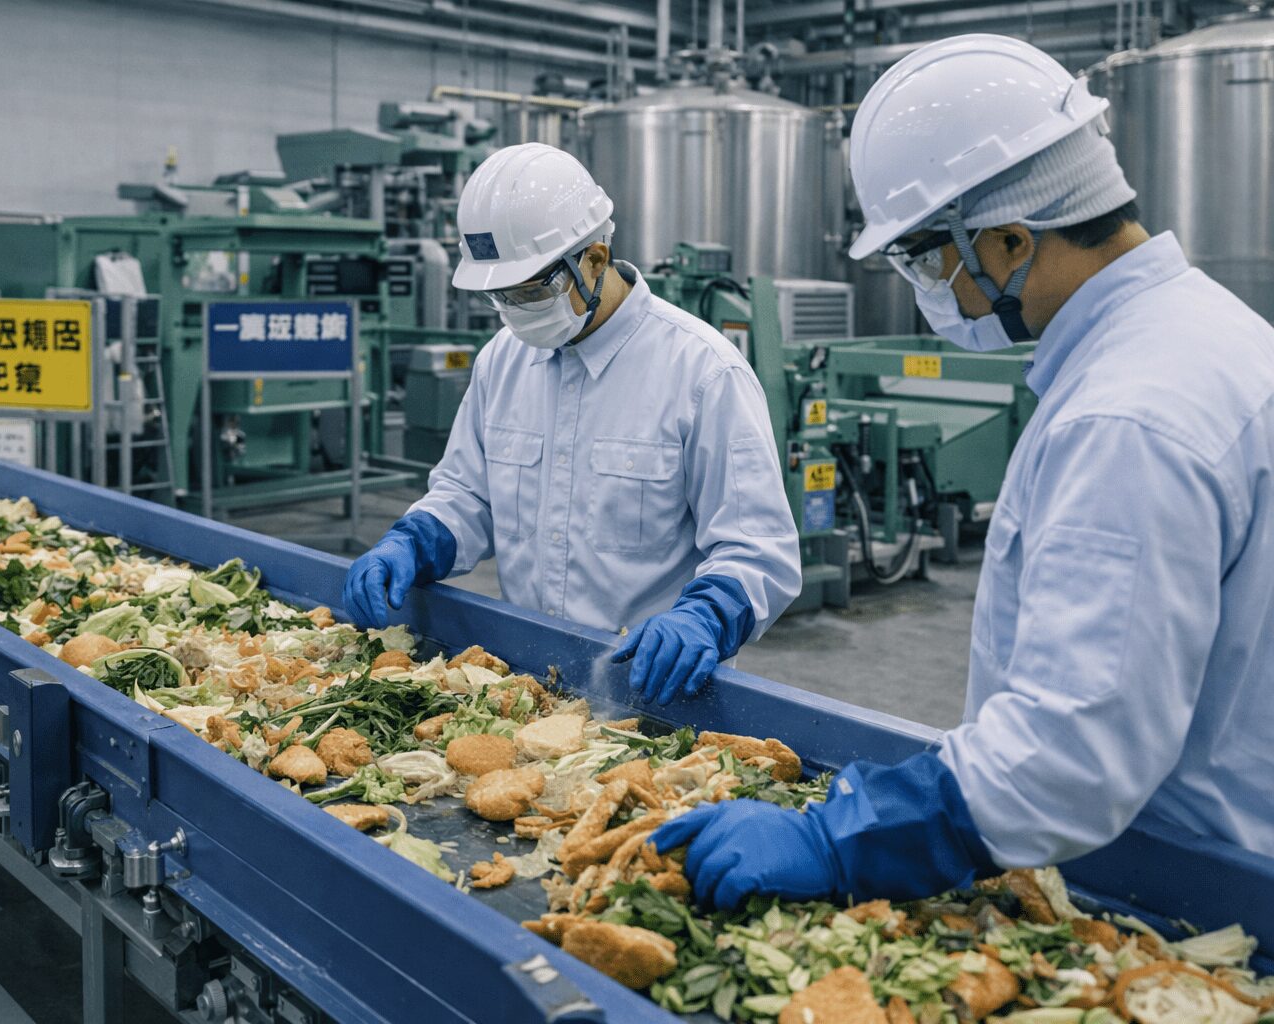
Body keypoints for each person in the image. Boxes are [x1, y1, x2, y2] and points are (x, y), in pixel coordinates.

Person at [656, 33, 1274, 909]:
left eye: (924, 258)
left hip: (1180, 892)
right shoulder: (1210, 337)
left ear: (1010, 241)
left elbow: (1071, 754)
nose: (923, 285)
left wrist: (836, 838)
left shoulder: (1128, 416)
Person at [343, 143, 801, 705]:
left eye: (532, 288)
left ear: (594, 259)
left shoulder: (702, 372)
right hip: (528, 683)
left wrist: (704, 618)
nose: (514, 309)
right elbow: (469, 495)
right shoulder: (502, 360)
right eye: (499, 294)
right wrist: (411, 542)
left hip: (653, 691)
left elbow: (758, 550)